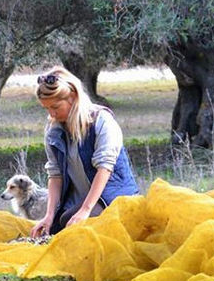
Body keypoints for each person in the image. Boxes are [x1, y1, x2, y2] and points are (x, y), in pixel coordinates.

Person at [31, 66, 139, 237]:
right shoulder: (54, 129)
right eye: (47, 109)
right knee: (52, 230)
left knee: (70, 222)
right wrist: (48, 215)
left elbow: (105, 168)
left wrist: (85, 210)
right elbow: (55, 175)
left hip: (113, 198)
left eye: (56, 107)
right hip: (79, 199)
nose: (52, 114)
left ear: (73, 97)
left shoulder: (102, 120)